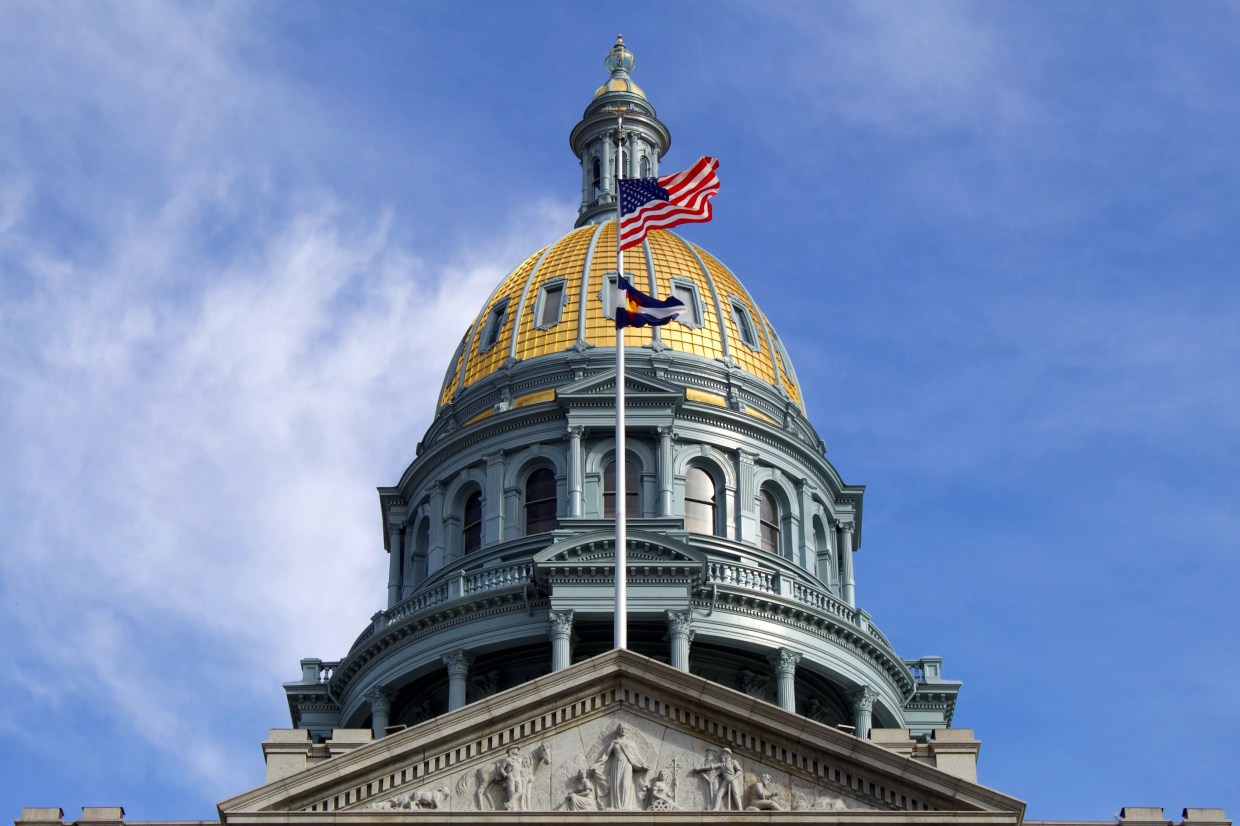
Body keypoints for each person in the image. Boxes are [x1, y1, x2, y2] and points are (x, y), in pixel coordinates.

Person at [593, 723, 648, 810]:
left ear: (628, 731)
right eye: (621, 728)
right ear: (618, 729)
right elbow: (606, 755)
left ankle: (625, 806)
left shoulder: (631, 744)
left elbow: (636, 756)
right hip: (616, 765)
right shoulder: (614, 743)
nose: (623, 730)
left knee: (625, 785)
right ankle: (615, 806)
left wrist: (643, 763)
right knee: (616, 785)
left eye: (625, 728)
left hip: (627, 765)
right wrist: (597, 764)